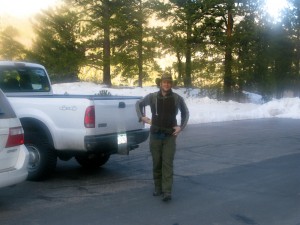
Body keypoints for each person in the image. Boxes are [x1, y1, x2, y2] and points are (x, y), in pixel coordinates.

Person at [135, 73, 189, 201]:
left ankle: (167, 191)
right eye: (164, 82)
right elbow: (138, 103)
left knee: (167, 163)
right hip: (155, 136)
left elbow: (185, 112)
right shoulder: (153, 97)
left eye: (169, 82)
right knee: (156, 163)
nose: (166, 84)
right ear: (160, 83)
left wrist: (181, 127)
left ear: (171, 84)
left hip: (170, 136)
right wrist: (141, 117)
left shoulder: (177, 98)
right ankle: (158, 188)